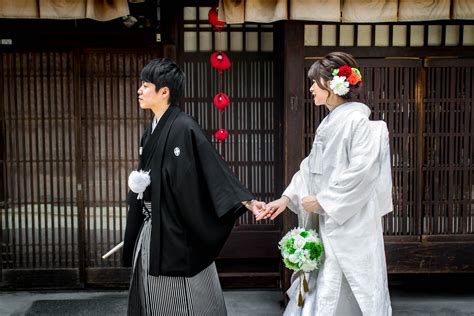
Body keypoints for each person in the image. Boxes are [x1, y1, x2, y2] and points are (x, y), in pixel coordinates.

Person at [122, 58, 265, 315]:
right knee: (149, 292)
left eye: (145, 86)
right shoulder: (149, 131)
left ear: (163, 91)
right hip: (152, 227)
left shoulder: (184, 126)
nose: (139, 91)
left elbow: (211, 166)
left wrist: (246, 201)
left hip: (176, 230)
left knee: (184, 297)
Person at [257, 52, 393, 315]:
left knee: (351, 288)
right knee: (324, 287)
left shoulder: (357, 122)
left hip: (350, 223)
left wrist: (324, 200)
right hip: (327, 219)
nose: (310, 88)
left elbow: (363, 171)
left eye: (314, 83)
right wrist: (285, 200)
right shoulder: (330, 122)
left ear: (331, 86)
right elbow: (310, 169)